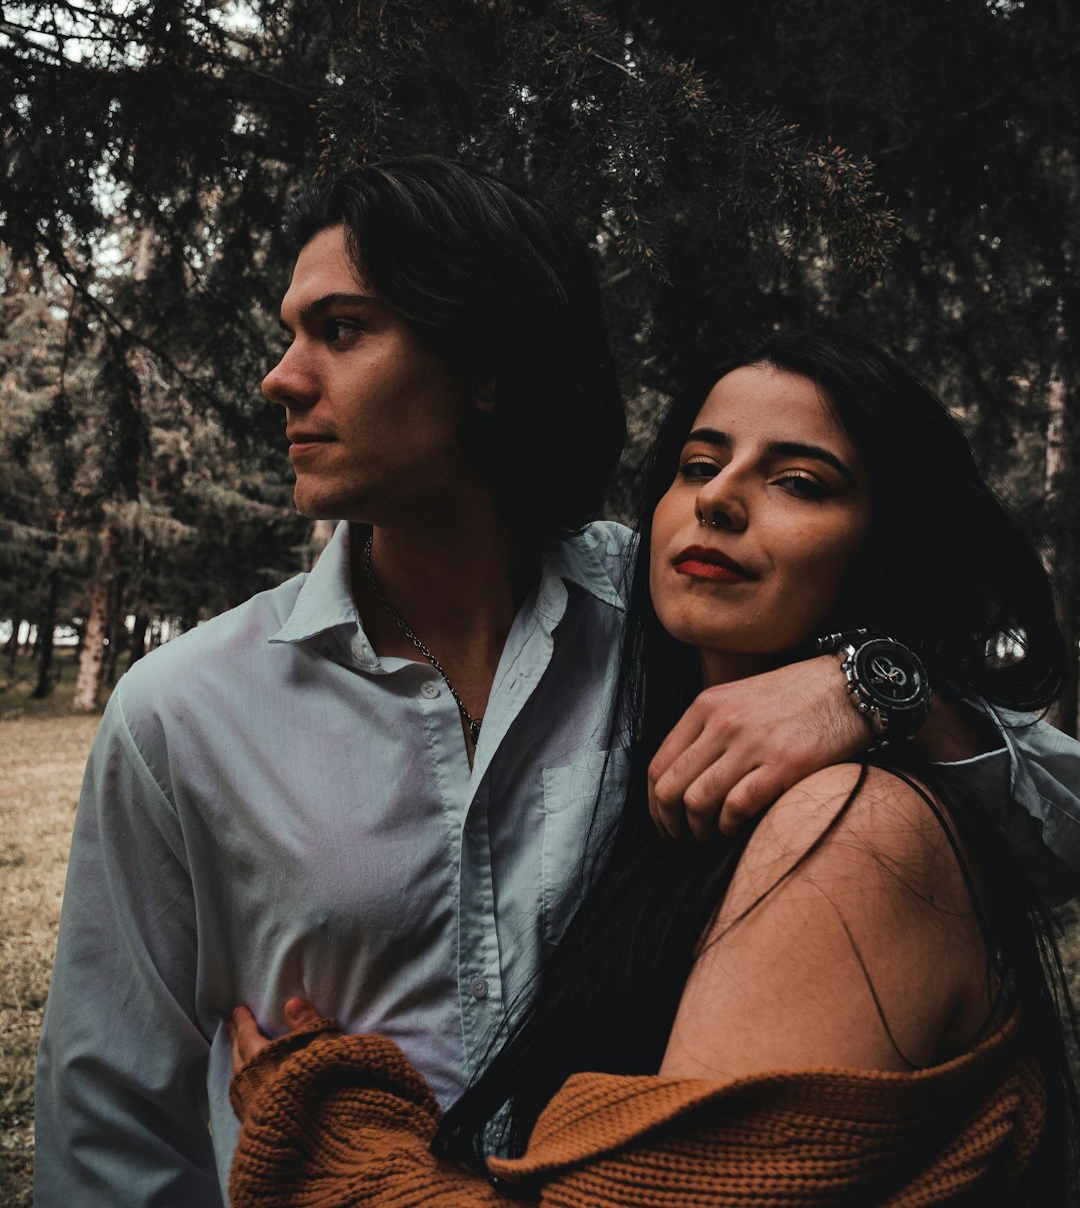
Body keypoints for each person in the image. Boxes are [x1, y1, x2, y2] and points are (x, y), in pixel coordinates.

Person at [35, 162, 1080, 1204]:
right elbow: (112, 1128)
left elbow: (1052, 823)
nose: (282, 376)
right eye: (290, 331)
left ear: (484, 362)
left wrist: (865, 689)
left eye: (341, 330)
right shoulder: (182, 711)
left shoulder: (676, 618)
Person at [226, 332, 1078, 1205]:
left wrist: (338, 1148)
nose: (719, 499)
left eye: (798, 483)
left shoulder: (854, 829)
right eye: (698, 464)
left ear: (888, 544)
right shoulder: (670, 784)